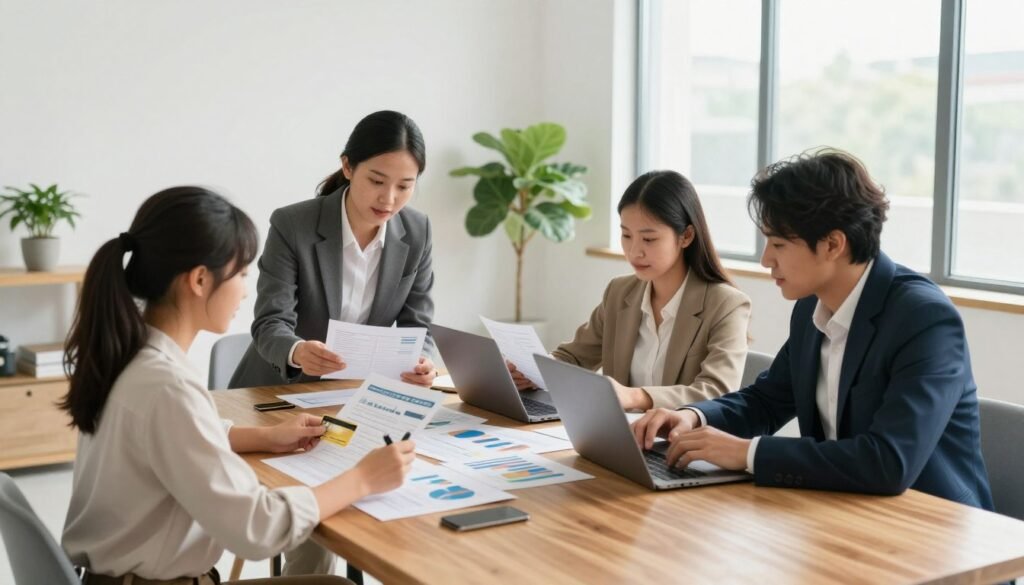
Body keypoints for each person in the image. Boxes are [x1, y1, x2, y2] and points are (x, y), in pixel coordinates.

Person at [61, 187, 415, 584]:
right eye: (242, 274)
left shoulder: (133, 356)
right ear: (198, 279)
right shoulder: (165, 386)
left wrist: (260, 437)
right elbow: (258, 530)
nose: (245, 290)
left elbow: (171, 438)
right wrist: (363, 478)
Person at [631, 150, 993, 508]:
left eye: (778, 244)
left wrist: (746, 453)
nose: (766, 260)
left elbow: (888, 461)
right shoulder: (812, 307)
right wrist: (693, 417)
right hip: (844, 508)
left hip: (934, 527)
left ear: (833, 244)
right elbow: (768, 400)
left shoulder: (923, 319)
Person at [510, 170, 751, 410]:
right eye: (626, 235)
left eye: (649, 239)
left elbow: (717, 391)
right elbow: (573, 358)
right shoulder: (619, 292)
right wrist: (533, 371)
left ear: (686, 236)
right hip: (616, 436)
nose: (634, 251)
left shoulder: (726, 304)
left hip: (680, 442)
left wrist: (636, 397)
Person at [230, 110, 437, 389]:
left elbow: (418, 327)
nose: (388, 199)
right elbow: (270, 323)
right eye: (376, 181)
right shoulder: (292, 225)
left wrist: (422, 361)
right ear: (348, 167)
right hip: (276, 391)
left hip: (352, 392)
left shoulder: (417, 231)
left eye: (404, 186)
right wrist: (297, 352)